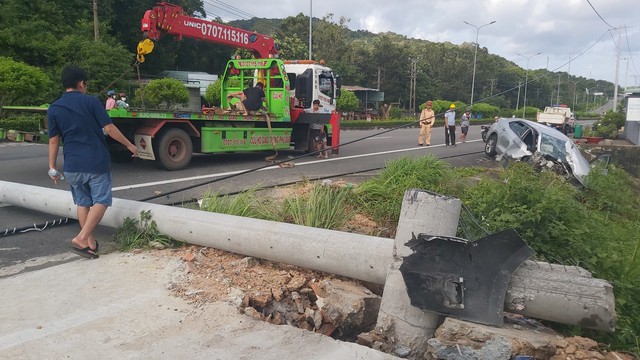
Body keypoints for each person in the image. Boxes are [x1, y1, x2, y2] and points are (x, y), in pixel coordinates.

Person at [47, 65, 138, 259]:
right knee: (102, 200)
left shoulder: (54, 108)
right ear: (81, 83)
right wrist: (130, 145)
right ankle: (81, 237)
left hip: (71, 165)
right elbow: (110, 128)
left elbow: (53, 140)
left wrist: (52, 167)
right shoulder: (91, 102)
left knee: (83, 202)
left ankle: (89, 244)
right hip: (94, 161)